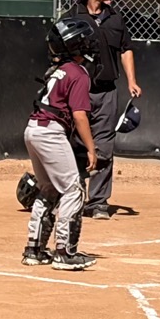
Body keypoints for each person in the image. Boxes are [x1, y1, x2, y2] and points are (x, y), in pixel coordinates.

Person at [22, 16, 100, 271]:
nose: (89, 45)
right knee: (73, 190)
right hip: (51, 133)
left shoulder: (58, 69)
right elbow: (79, 115)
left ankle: (34, 249)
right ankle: (64, 252)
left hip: (34, 129)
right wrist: (91, 148)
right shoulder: (78, 72)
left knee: (49, 191)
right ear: (75, 45)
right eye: (85, 41)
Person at [72, 0, 142, 217]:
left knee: (105, 146)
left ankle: (98, 202)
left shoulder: (115, 18)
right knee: (78, 145)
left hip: (107, 90)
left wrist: (131, 81)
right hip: (79, 91)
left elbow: (126, 49)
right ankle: (74, 198)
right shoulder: (73, 17)